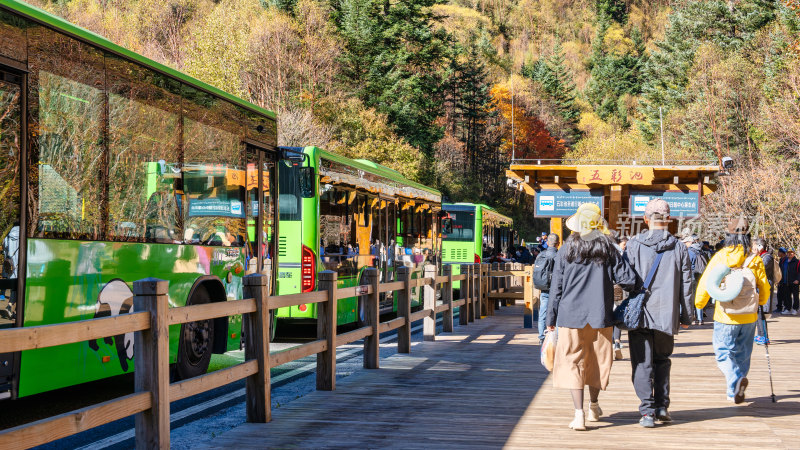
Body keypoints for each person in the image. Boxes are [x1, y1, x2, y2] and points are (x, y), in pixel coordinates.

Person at [547, 203, 638, 431]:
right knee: (596, 362)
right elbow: (628, 279)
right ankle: (594, 405)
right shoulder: (608, 249)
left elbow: (555, 288)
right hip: (600, 315)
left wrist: (550, 319)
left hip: (570, 315)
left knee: (572, 362)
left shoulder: (566, 249)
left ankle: (578, 415)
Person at [624, 199, 694, 428]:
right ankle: (662, 407)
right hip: (667, 314)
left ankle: (647, 412)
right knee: (662, 360)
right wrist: (686, 316)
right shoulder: (680, 247)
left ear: (645, 219)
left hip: (640, 314)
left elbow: (625, 281)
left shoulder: (634, 245)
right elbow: (686, 284)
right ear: (669, 220)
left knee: (642, 363)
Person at [695, 217, 770, 404]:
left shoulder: (722, 256)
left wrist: (699, 304)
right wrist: (761, 301)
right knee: (743, 354)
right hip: (749, 315)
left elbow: (706, 282)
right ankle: (734, 390)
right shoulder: (754, 259)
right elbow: (764, 286)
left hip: (726, 314)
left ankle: (735, 382)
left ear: (728, 236)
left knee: (722, 353)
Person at [535, 233, 559, 344]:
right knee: (557, 312)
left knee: (543, 312)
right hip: (556, 289)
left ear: (548, 243)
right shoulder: (558, 256)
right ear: (558, 244)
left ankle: (541, 337)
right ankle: (556, 336)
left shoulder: (541, 255)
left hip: (544, 287)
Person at [682, 233, 709, 325]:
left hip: (692, 276)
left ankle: (688, 317)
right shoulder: (702, 251)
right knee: (699, 296)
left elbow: (686, 265)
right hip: (701, 276)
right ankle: (700, 319)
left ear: (690, 242)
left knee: (689, 297)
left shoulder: (689, 251)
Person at [753, 238, 776, 345]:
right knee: (758, 312)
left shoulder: (767, 257)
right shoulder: (760, 257)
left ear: (760, 247)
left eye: (754, 246)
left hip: (764, 288)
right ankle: (760, 335)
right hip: (759, 287)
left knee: (762, 313)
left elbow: (760, 267)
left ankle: (764, 337)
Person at [778, 249, 800, 315]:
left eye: (791, 253)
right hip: (785, 282)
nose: (789, 254)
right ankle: (788, 308)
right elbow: (779, 271)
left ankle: (795, 308)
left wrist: (798, 280)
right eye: (788, 253)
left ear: (794, 253)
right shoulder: (783, 261)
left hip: (794, 282)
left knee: (795, 296)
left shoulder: (797, 262)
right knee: (787, 296)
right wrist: (779, 280)